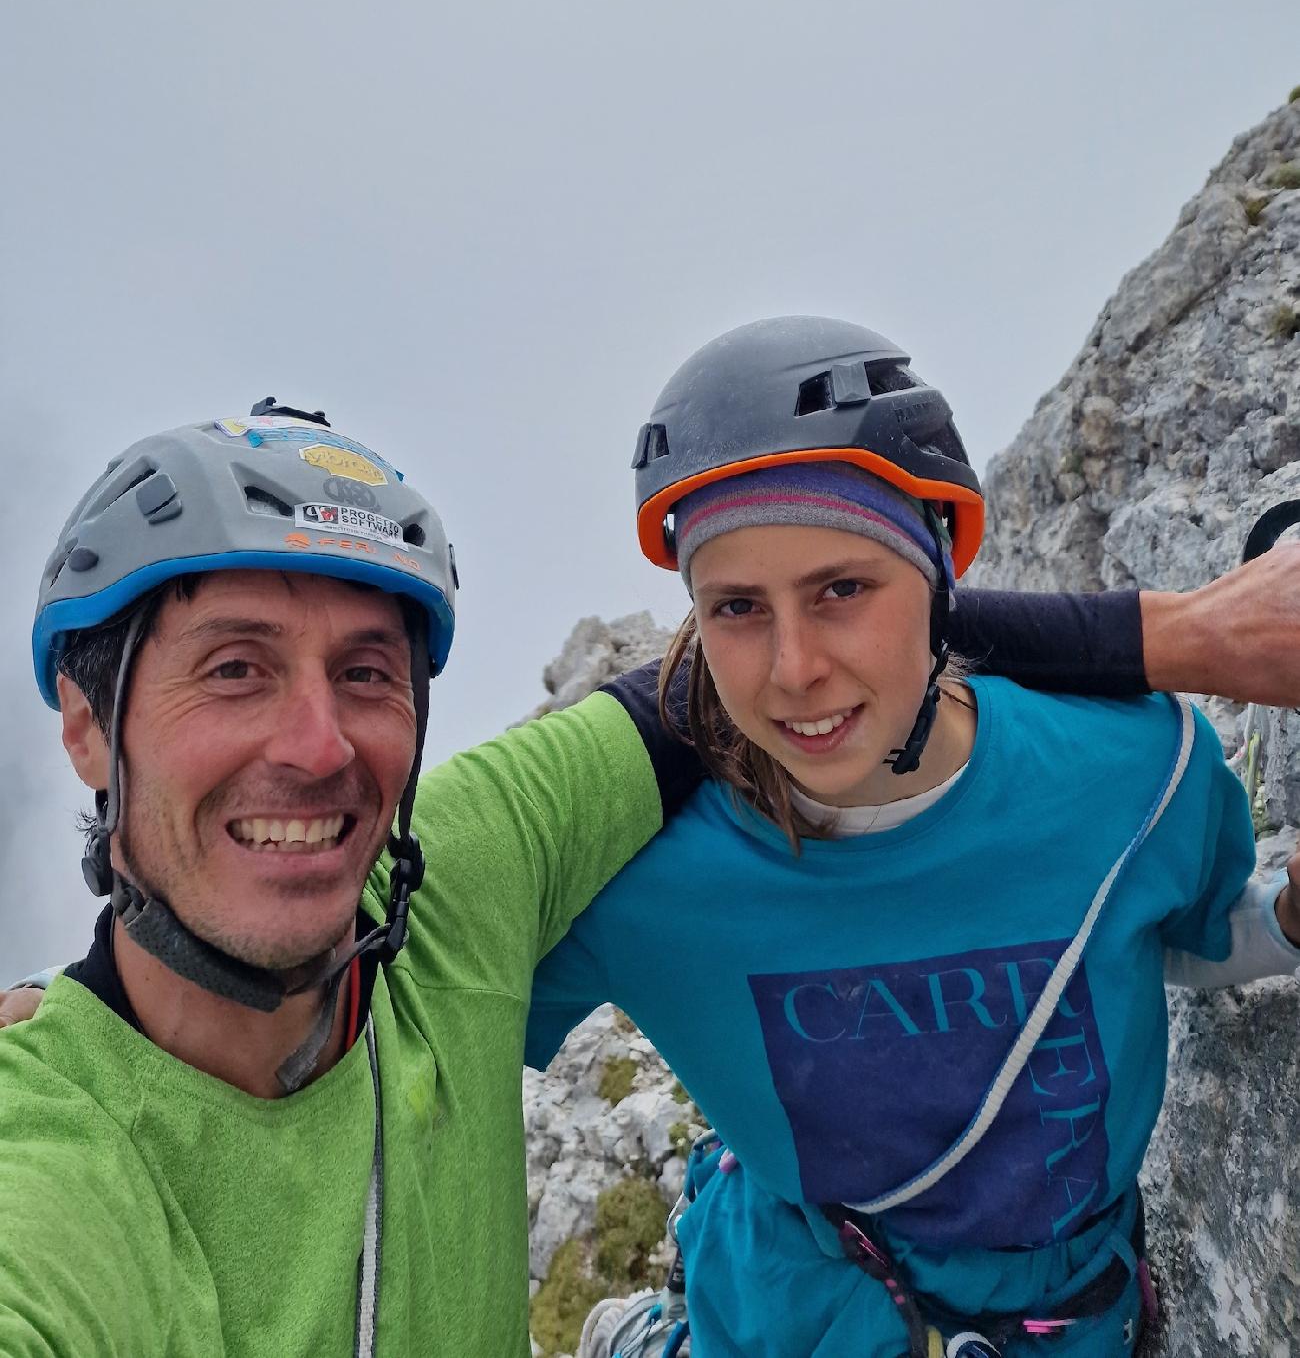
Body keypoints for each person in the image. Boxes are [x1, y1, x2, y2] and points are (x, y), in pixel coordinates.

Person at [0, 391, 1298, 1358]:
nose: (317, 743)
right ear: (84, 720)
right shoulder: (49, 1190)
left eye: (366, 673)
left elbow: (743, 681)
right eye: (233, 668)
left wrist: (1191, 633)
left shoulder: (449, 893)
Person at [526, 317, 1300, 1358]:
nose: (793, 666)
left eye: (842, 588)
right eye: (737, 607)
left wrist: (1289, 916)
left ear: (939, 569)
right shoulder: (634, 872)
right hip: (785, 1314)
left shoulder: (1134, 767)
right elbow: (421, 1039)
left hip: (1060, 1313)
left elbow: (1197, 936)